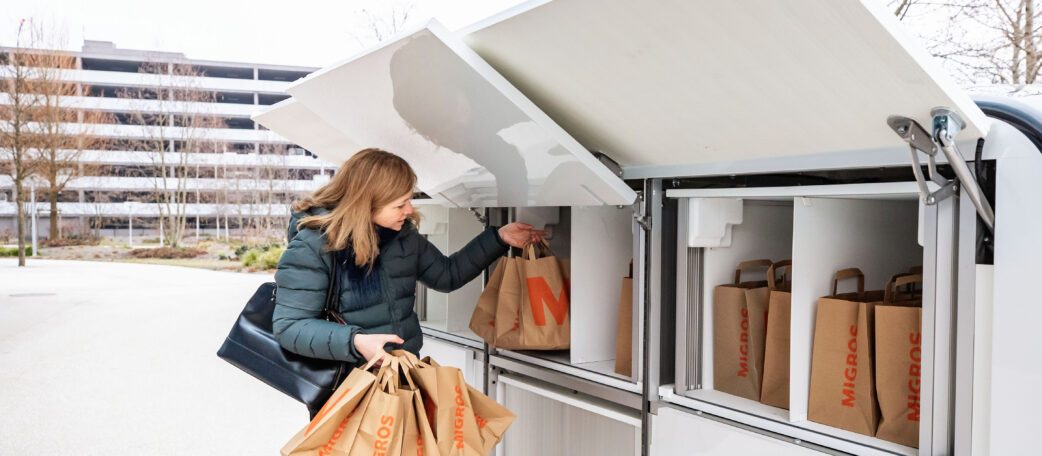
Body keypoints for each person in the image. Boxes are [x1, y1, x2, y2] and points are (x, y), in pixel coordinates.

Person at [272, 148, 539, 417]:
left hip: (402, 381)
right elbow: (290, 326)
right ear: (367, 203)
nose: (409, 210)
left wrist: (499, 238)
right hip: (346, 388)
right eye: (400, 205)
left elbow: (447, 274)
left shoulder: (403, 237)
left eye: (409, 201)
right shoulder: (313, 246)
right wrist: (355, 342)